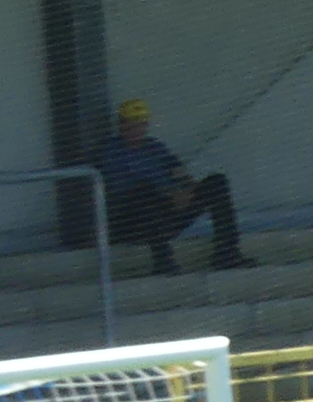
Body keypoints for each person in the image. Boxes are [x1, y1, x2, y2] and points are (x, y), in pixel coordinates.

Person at [94, 98, 246, 275]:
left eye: (141, 124)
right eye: (132, 125)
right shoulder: (111, 152)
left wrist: (188, 191)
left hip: (169, 210)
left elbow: (178, 171)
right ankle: (164, 262)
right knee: (145, 193)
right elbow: (122, 189)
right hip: (133, 220)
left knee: (216, 182)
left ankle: (227, 253)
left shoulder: (154, 148)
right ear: (121, 125)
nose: (137, 130)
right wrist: (169, 193)